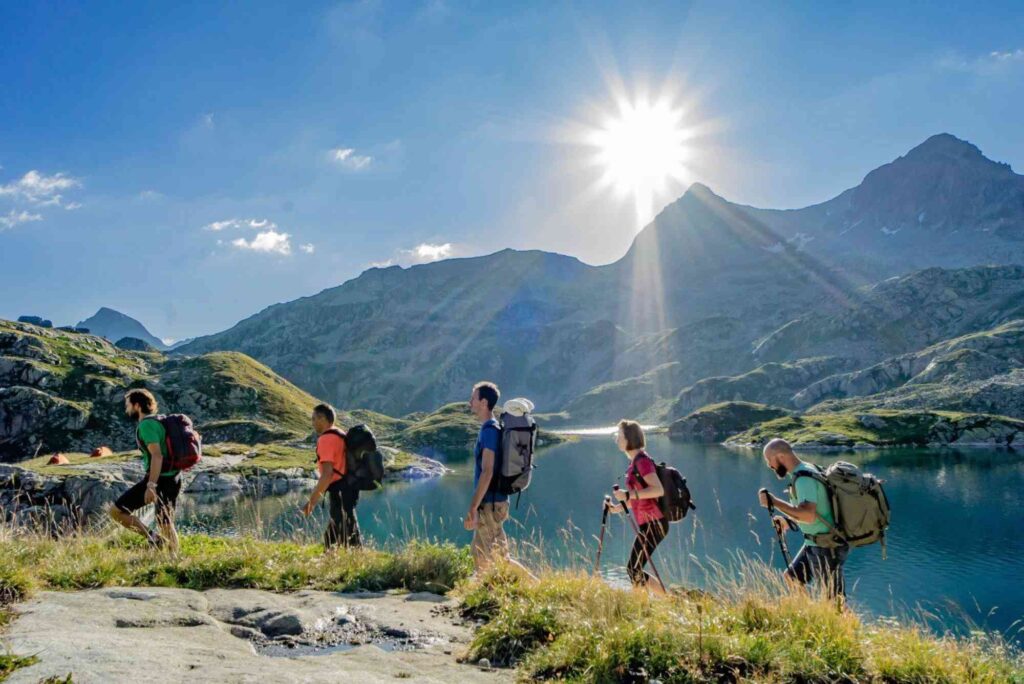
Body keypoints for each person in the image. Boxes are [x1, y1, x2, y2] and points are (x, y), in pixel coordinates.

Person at [758, 437, 849, 598]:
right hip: (815, 542)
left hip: (826, 545)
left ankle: (847, 623)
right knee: (792, 578)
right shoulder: (807, 469)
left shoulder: (804, 478)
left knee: (834, 600)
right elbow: (819, 508)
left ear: (780, 456)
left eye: (769, 460)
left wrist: (774, 502)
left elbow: (807, 515)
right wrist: (788, 521)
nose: (769, 466)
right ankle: (811, 616)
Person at [463, 381, 533, 578]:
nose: (470, 402)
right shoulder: (493, 428)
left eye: (473, 398)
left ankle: (491, 594)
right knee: (495, 556)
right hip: (495, 502)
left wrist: (473, 507)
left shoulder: (489, 431)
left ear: (483, 402)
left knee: (486, 556)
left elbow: (487, 471)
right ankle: (532, 585)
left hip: (491, 504)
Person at [109, 389, 181, 553]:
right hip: (173, 477)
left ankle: (156, 540)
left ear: (137, 406)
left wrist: (151, 485)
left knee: (117, 511)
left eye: (128, 405)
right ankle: (170, 554)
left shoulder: (147, 425)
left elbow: (157, 455)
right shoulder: (159, 421)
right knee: (166, 522)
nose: (127, 410)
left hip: (160, 479)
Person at [608, 420, 668, 593]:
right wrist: (617, 508)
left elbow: (658, 490)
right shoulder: (634, 462)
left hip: (654, 523)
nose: (616, 439)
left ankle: (663, 601)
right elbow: (637, 496)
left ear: (629, 438)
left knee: (633, 568)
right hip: (649, 523)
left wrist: (628, 494)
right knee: (634, 568)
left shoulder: (642, 462)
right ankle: (650, 602)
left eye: (619, 436)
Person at [302, 403, 361, 548]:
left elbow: (327, 474)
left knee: (344, 530)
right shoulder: (340, 434)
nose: (313, 422)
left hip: (339, 489)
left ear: (322, 419)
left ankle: (356, 562)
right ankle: (333, 559)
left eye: (314, 418)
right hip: (350, 487)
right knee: (343, 528)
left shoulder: (326, 439)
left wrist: (311, 502)